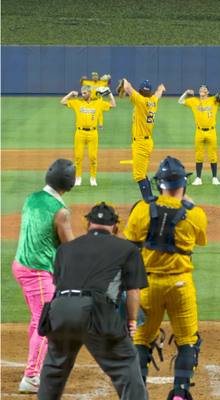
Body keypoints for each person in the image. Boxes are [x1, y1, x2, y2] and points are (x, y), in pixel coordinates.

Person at [38, 202, 148, 400]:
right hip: (95, 310)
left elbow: (59, 286)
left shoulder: (65, 249)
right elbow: (133, 292)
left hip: (59, 310)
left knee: (55, 366)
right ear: (115, 226)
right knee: (125, 363)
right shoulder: (128, 249)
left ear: (87, 223)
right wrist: (131, 322)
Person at [124, 156, 208, 400]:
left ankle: (137, 393)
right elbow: (200, 240)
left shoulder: (141, 209)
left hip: (147, 286)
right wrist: (187, 205)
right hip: (181, 286)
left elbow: (131, 246)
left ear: (159, 183)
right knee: (187, 340)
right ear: (184, 183)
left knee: (141, 339)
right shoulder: (195, 214)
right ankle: (180, 393)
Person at [12, 159, 76, 394]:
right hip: (37, 272)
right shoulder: (61, 212)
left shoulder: (32, 199)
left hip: (21, 265)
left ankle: (36, 366)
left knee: (39, 319)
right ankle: (31, 376)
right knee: (48, 324)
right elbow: (70, 248)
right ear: (69, 182)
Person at [61, 85, 116, 186]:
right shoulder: (77, 102)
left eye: (85, 93)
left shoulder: (98, 103)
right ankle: (78, 178)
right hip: (80, 133)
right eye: (82, 93)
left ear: (90, 93)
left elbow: (113, 104)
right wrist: (71, 94)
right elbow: (63, 102)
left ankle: (93, 178)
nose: (83, 94)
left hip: (93, 133)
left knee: (93, 157)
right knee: (78, 157)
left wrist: (110, 94)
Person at [122, 78, 166, 201]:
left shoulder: (140, 100)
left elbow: (127, 88)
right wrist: (161, 88)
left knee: (139, 176)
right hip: (147, 142)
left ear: (140, 91)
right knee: (142, 173)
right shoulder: (153, 100)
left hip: (141, 143)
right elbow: (158, 94)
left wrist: (124, 80)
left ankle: (149, 203)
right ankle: (151, 198)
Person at [178, 85, 220, 185]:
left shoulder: (214, 100)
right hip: (199, 132)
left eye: (204, 89)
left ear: (208, 92)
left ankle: (214, 178)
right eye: (201, 89)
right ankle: (198, 178)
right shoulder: (194, 101)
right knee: (199, 155)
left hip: (211, 132)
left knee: (213, 155)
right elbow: (180, 101)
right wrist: (186, 93)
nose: (202, 90)